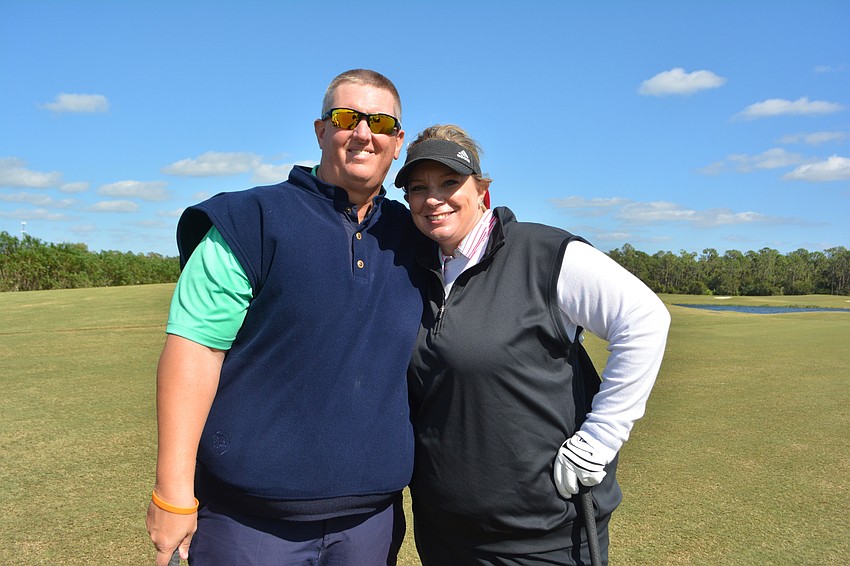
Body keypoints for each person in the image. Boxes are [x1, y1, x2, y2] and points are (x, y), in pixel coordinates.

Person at [146, 69, 427, 566]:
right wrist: (173, 492)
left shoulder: (418, 238)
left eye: (380, 123)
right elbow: (195, 352)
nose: (364, 133)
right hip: (247, 523)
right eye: (347, 117)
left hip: (371, 523)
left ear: (397, 141)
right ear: (321, 131)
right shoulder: (249, 220)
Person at [394, 125, 671, 565]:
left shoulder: (543, 253)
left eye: (450, 182)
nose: (433, 198)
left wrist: (601, 438)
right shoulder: (414, 268)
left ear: (482, 190)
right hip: (445, 533)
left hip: (544, 538)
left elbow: (643, 319)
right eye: (418, 188)